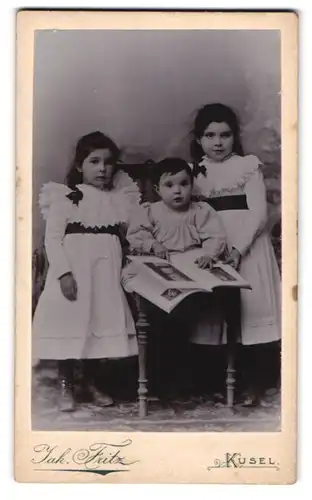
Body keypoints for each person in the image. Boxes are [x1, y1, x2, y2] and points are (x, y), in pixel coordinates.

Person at [32, 131, 141, 412]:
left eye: (108, 162)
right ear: (80, 166)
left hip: (105, 274)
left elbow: (129, 236)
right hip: (74, 274)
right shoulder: (67, 197)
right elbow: (53, 239)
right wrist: (64, 273)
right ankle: (66, 383)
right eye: (94, 162)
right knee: (71, 324)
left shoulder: (120, 199)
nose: (102, 169)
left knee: (97, 323)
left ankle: (91, 382)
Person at [190, 103, 281, 405]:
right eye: (210, 135)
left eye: (225, 135)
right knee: (217, 314)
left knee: (250, 311)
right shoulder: (195, 173)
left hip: (248, 246)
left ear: (235, 137)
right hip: (212, 247)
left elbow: (258, 213)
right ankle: (220, 380)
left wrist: (239, 249)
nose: (218, 142)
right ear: (199, 139)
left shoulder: (248, 166)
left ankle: (254, 383)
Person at [123, 157, 227, 400]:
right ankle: (157, 380)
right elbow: (136, 235)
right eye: (170, 185)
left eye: (184, 184)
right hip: (161, 267)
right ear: (158, 190)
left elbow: (214, 236)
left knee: (186, 322)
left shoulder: (200, 211)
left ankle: (185, 380)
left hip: (189, 267)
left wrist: (209, 254)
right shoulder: (151, 211)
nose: (178, 190)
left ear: (192, 185)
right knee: (159, 324)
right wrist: (152, 244)